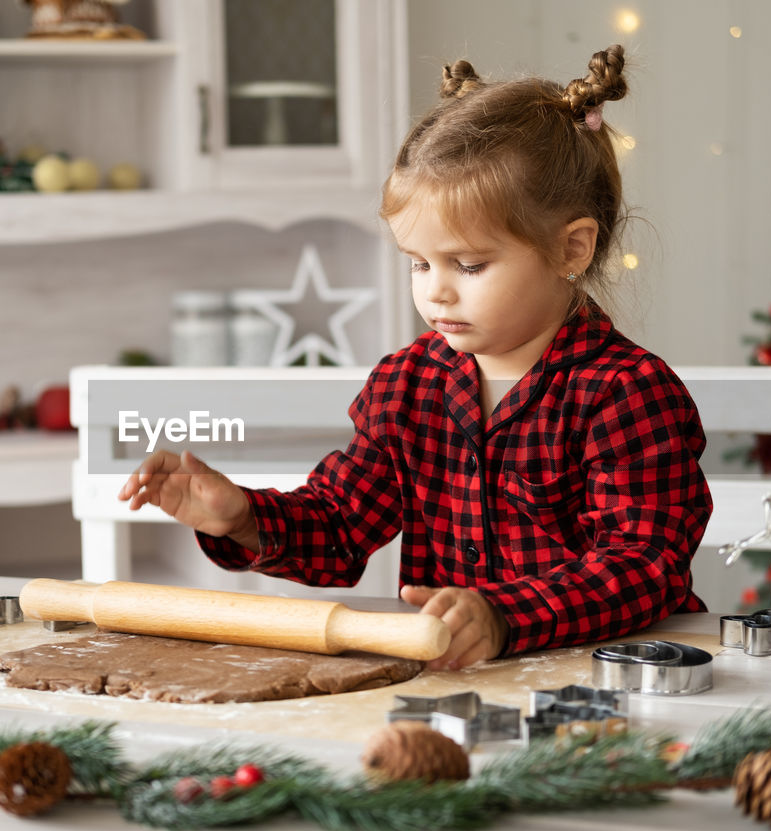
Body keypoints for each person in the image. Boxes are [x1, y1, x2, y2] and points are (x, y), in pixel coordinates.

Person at [117, 45, 712, 671]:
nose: (436, 290)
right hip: (451, 679)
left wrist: (504, 618)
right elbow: (341, 523)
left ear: (572, 249)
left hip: (607, 679)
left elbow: (642, 566)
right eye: (419, 263)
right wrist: (241, 519)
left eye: (470, 264)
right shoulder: (408, 385)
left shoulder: (627, 393)